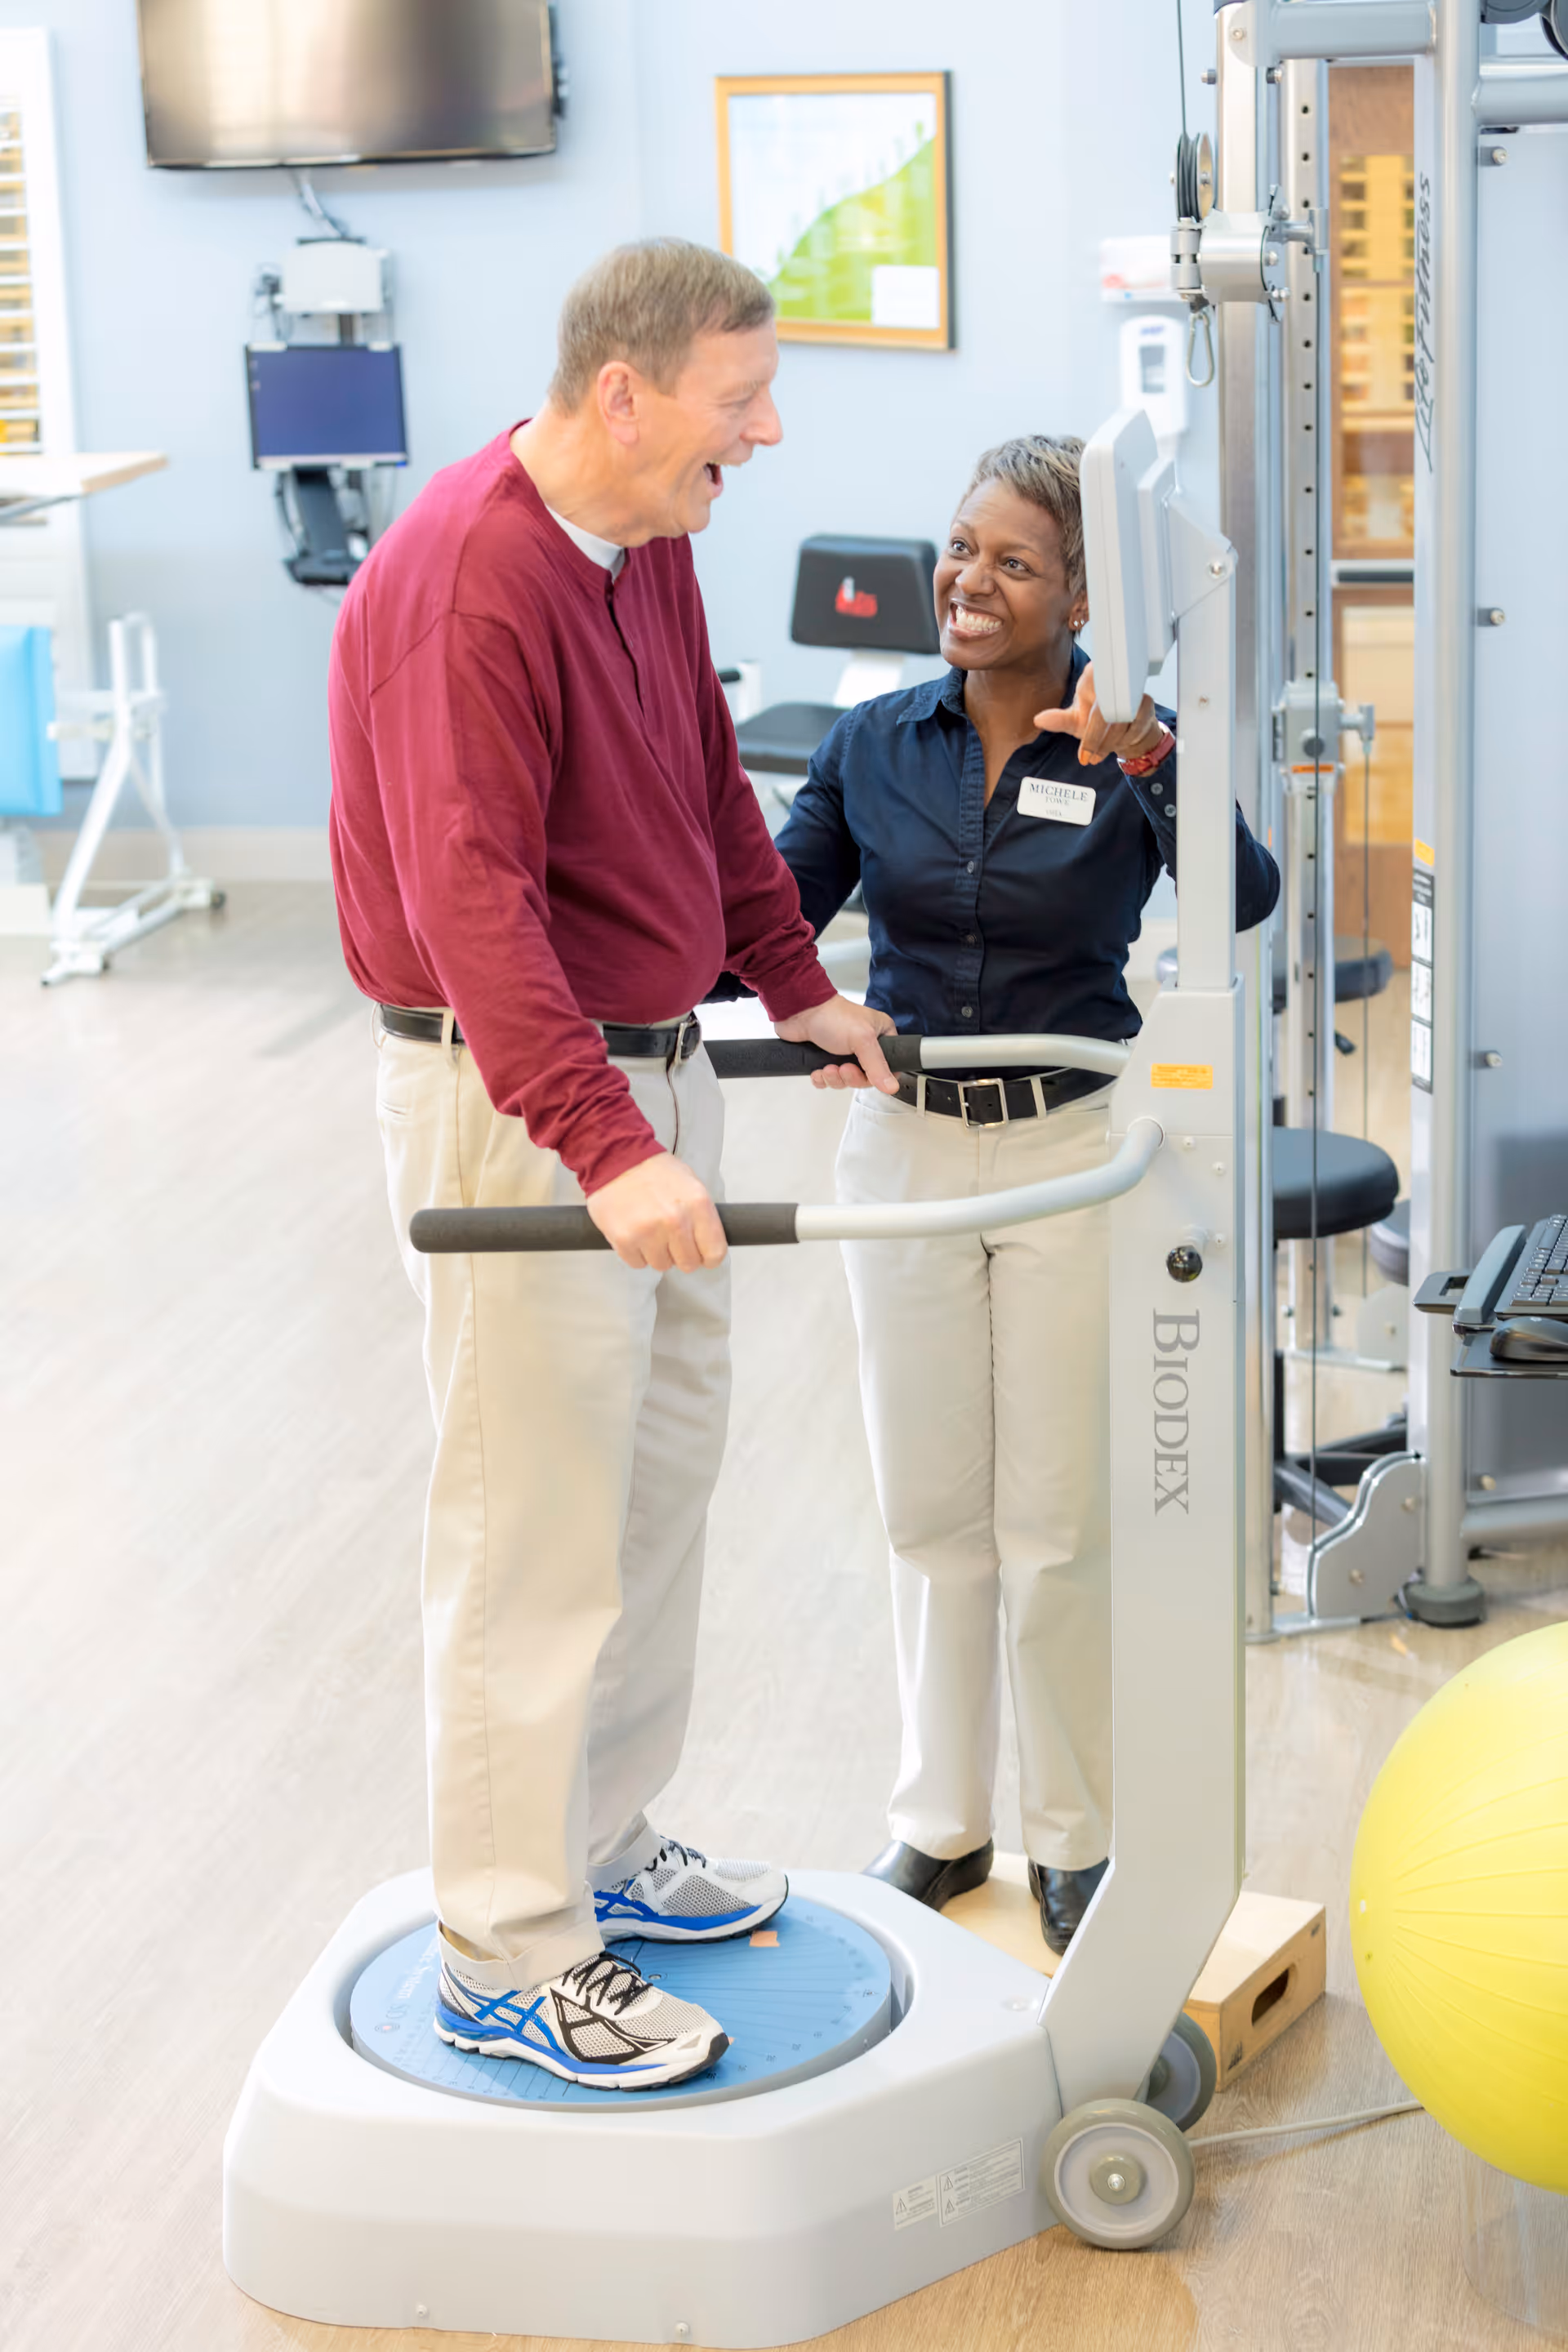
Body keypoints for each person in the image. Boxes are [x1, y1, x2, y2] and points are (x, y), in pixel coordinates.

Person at [327, 239, 896, 2092]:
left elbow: (706, 782)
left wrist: (793, 984)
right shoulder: (467, 580)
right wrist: (599, 1142)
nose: (772, 428)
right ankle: (506, 1941)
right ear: (625, 391)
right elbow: (466, 901)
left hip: (656, 1076)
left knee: (653, 1490)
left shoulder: (650, 537)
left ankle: (599, 1852)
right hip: (528, 1097)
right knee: (531, 1532)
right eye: (742, 400)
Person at [773, 434, 1279, 1954]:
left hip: (1075, 1148)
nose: (967, 582)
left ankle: (1073, 1835)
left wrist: (1150, 755)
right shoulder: (874, 744)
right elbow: (772, 920)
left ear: (1080, 598)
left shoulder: (1131, 748)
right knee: (933, 1504)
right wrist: (791, 1001)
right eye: (959, 548)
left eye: (1013, 562)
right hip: (910, 1146)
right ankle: (943, 1820)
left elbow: (1245, 895)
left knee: (1058, 1519)